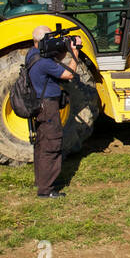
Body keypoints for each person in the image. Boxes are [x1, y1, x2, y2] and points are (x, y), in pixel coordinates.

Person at [28, 26, 76, 198]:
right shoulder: (44, 62)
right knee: (52, 145)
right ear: (42, 41)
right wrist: (74, 52)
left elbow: (53, 61)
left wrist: (62, 49)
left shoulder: (32, 55)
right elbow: (69, 74)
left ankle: (41, 181)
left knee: (41, 144)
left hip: (39, 107)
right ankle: (46, 190)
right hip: (48, 108)